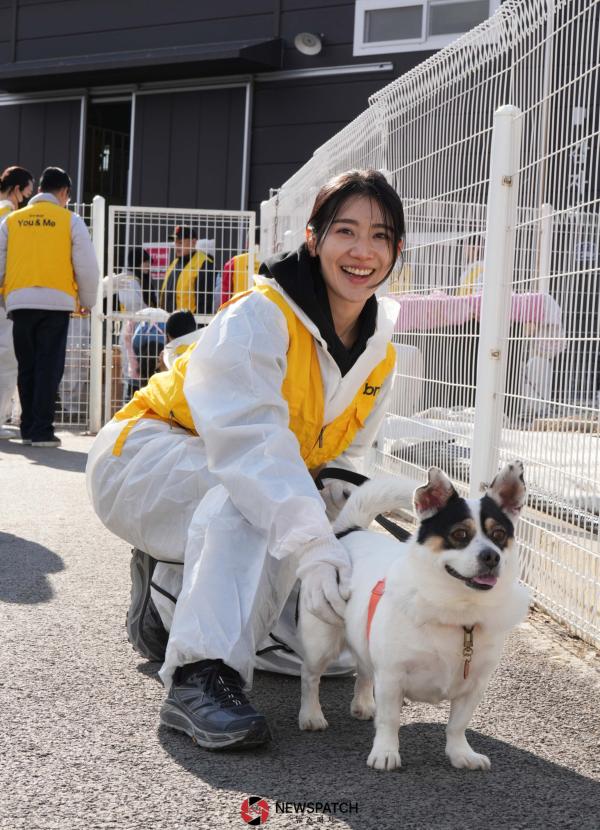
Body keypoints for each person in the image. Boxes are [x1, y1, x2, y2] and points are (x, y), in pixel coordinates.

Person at [86, 169, 405, 751]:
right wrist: (312, 542)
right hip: (144, 457)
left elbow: (347, 456)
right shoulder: (260, 314)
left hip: (242, 477)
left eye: (381, 236)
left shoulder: (380, 350)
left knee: (326, 646)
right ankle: (199, 676)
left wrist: (351, 533)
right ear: (313, 237)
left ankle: (166, 604)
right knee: (260, 507)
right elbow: (250, 449)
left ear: (397, 250)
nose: (363, 251)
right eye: (346, 232)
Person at [0, 166, 99, 447]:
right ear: (64, 192)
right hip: (56, 304)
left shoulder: (12, 221)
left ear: (40, 189)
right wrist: (88, 301)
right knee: (49, 366)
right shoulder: (70, 220)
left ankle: (28, 428)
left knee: (27, 366)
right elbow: (87, 265)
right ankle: (42, 431)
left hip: (18, 302)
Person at [0, 166, 34, 439]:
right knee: (7, 358)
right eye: (27, 191)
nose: (26, 198)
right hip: (4, 296)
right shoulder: (9, 215)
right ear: (17, 189)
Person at [159, 226, 214, 316]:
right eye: (176, 243)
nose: (177, 246)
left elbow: (204, 302)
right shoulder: (175, 263)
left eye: (180, 243)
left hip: (190, 324)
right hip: (168, 322)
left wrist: (198, 326)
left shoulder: (204, 264)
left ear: (193, 242)